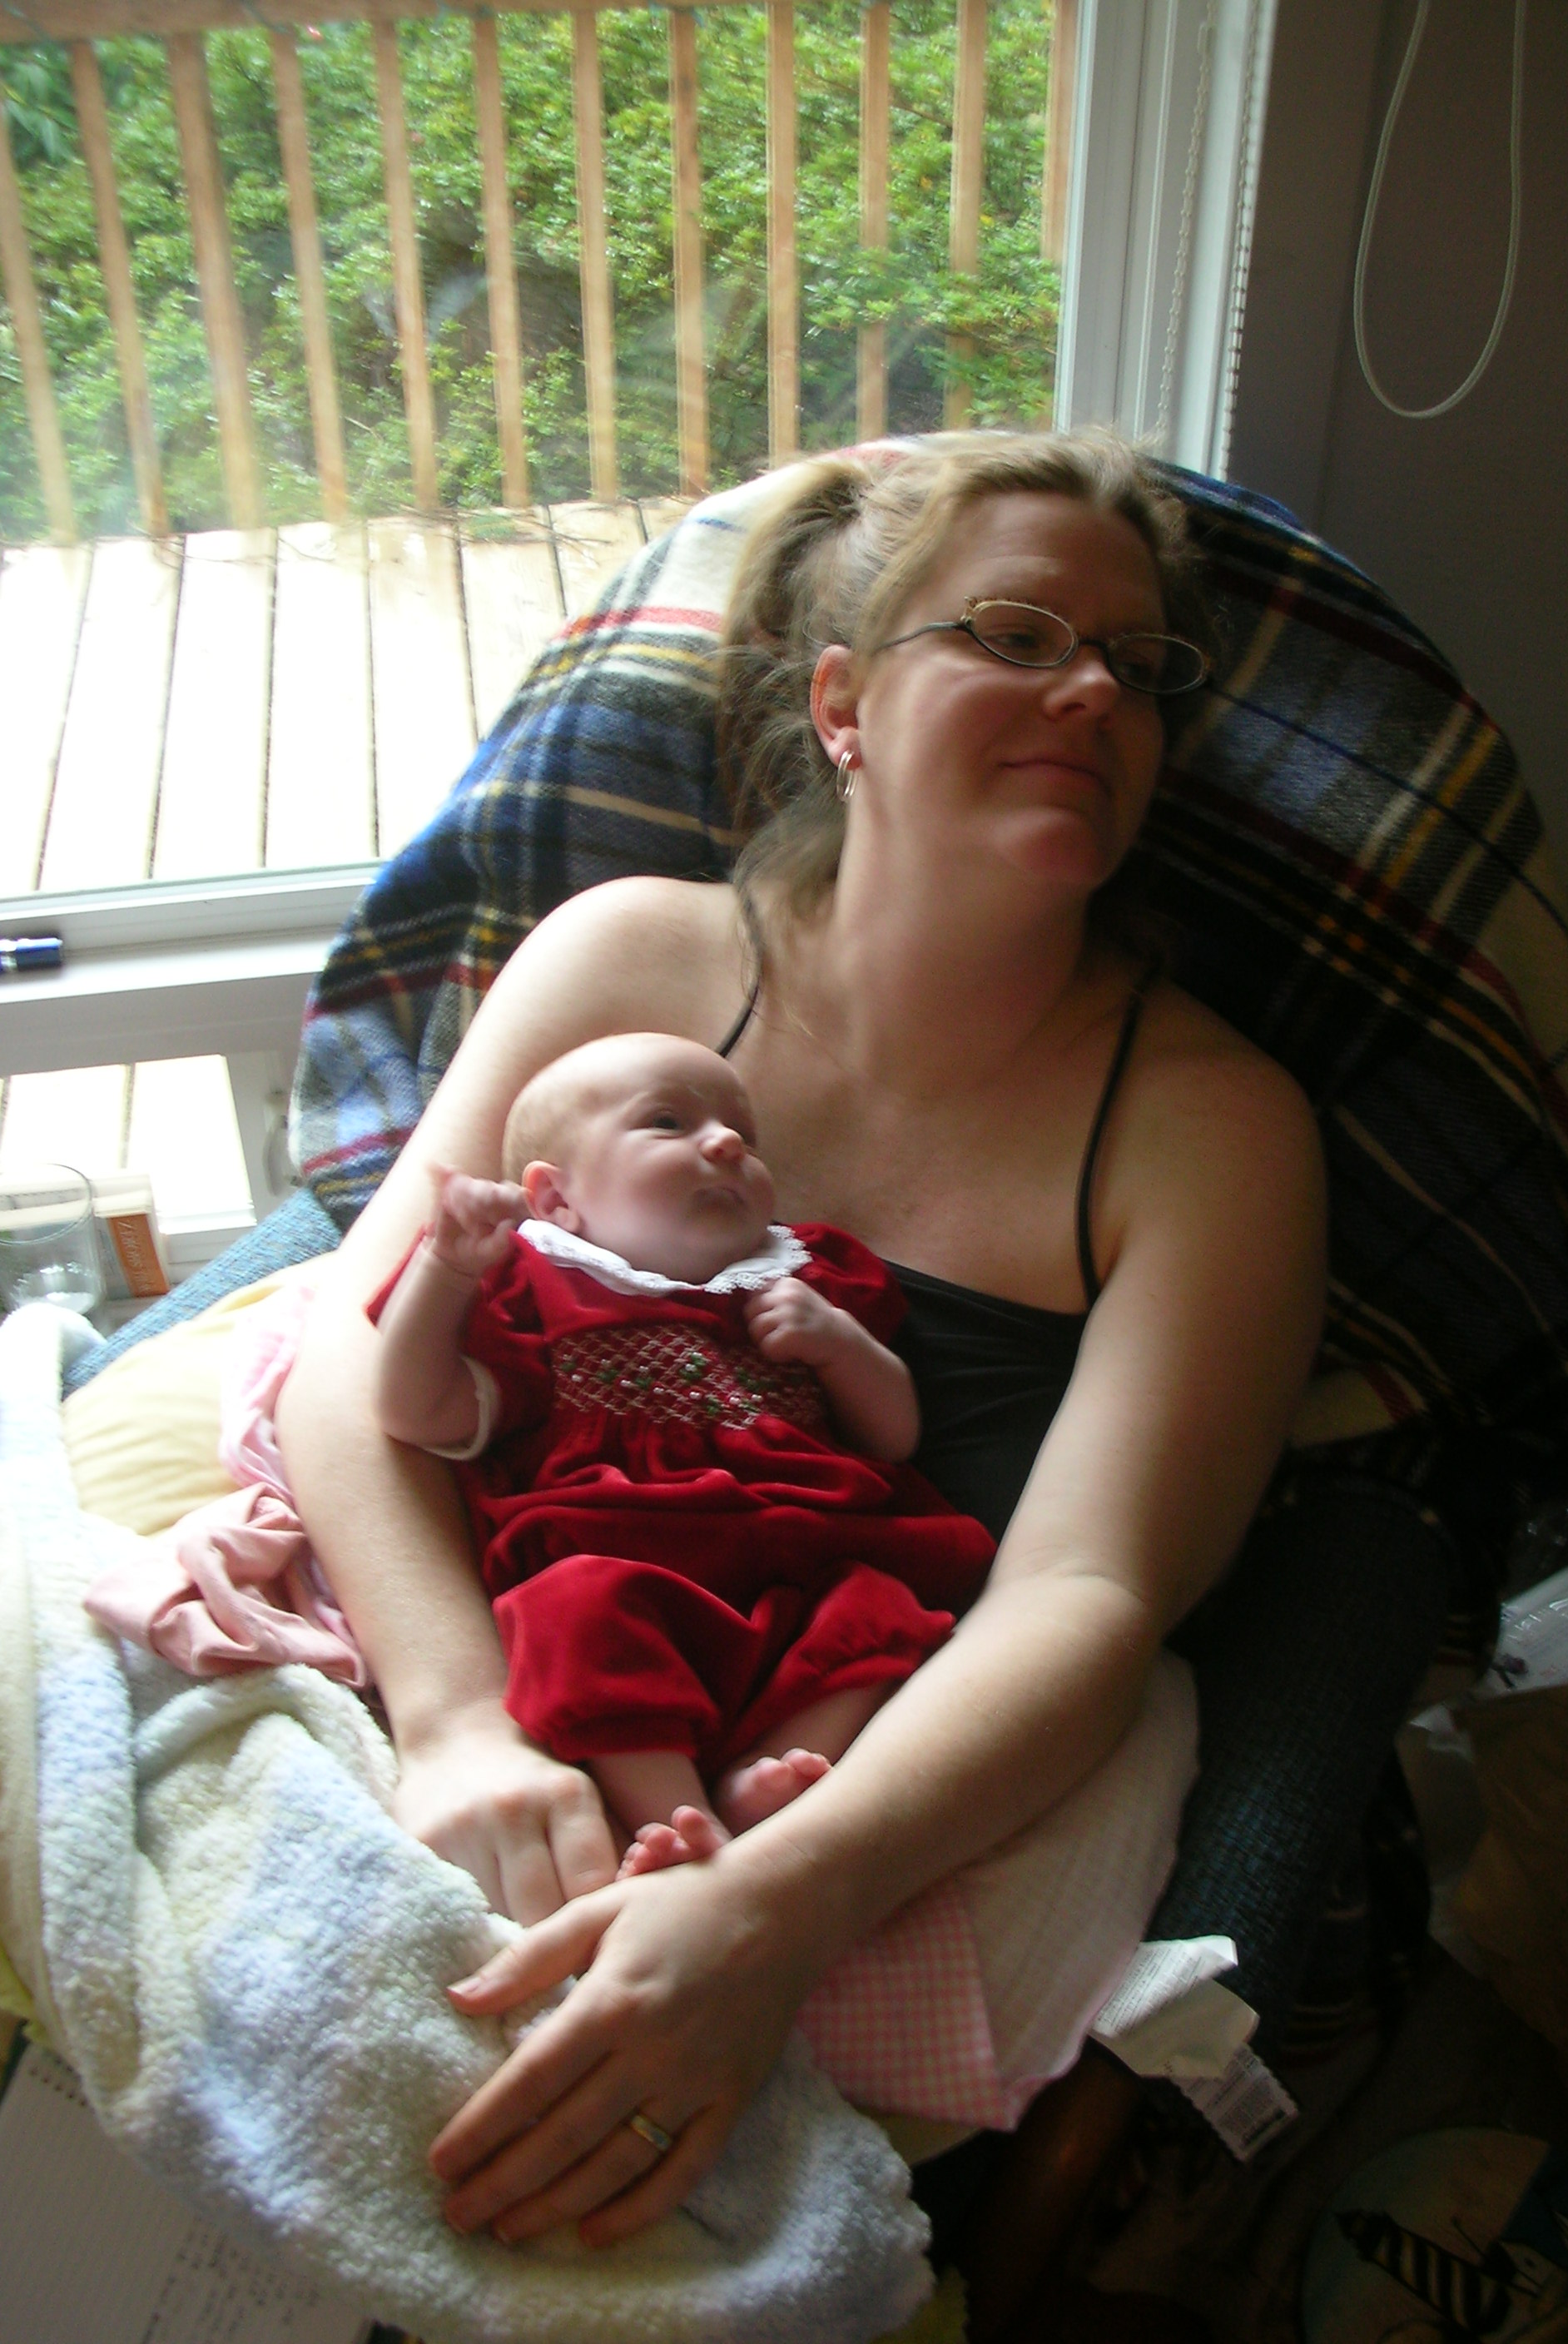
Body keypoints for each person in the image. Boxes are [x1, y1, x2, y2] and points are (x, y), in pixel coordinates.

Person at [275, 432, 1327, 2259]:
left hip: (845, 1785)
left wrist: (771, 1912)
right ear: (841, 704)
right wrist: (456, 1723)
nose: (1093, 691)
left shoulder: (1212, 1131)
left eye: (1139, 665)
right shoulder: (624, 963)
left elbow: (1087, 1594)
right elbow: (351, 1369)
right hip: (499, 1664)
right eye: (1013, 632)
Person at [370, 1030, 995, 1872]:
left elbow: (895, 1438)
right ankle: (674, 1816)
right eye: (668, 1121)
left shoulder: (807, 1279)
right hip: (628, 1565)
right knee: (571, 1610)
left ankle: (770, 1771)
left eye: (745, 1135)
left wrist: (841, 1345)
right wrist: (446, 1268)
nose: (729, 1141)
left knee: (885, 1610)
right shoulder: (535, 1285)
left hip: (806, 1560)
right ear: (555, 1199)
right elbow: (412, 1411)